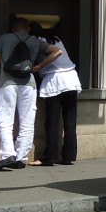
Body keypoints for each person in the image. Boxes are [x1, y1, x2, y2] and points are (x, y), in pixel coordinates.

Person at [0, 16, 59, 171]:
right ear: (28, 29)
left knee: (5, 119)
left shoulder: (5, 38)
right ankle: (21, 157)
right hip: (29, 84)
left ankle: (8, 154)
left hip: (7, 83)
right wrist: (39, 66)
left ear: (13, 29)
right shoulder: (34, 41)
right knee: (27, 121)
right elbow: (57, 51)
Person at [35, 30, 82, 166]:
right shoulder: (55, 39)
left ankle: (50, 157)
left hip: (54, 79)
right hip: (71, 79)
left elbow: (56, 54)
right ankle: (68, 156)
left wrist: (39, 67)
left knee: (52, 122)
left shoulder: (37, 40)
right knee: (70, 121)